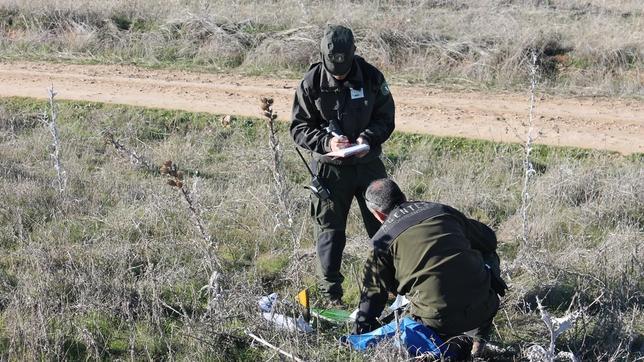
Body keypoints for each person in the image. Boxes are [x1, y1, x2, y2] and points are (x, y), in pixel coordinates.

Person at [290, 25, 395, 305]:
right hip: (330, 171)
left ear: (353, 55)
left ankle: (394, 289)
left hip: (368, 165)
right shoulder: (311, 82)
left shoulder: (372, 77)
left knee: (385, 227)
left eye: (344, 69)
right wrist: (327, 143)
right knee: (329, 232)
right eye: (333, 69)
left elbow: (386, 118)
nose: (339, 74)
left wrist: (368, 139)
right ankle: (331, 296)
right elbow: (299, 127)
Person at [354, 178, 506, 358]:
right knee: (488, 254)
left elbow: (372, 296)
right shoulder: (441, 211)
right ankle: (478, 337)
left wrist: (362, 330)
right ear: (403, 196)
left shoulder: (381, 241)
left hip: (436, 321)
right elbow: (489, 240)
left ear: (377, 215)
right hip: (485, 306)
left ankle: (452, 346)